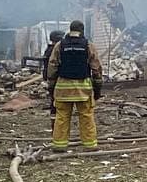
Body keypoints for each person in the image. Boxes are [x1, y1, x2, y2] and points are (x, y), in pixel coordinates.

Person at [47, 20, 103, 150]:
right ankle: (90, 145)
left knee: (62, 117)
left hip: (63, 89)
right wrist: (97, 86)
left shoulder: (60, 45)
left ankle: (59, 145)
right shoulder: (88, 45)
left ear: (70, 29)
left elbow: (52, 65)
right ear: (82, 30)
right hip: (83, 90)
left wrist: (51, 84)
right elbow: (96, 67)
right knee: (86, 116)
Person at [41, 30, 64, 114]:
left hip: (51, 77)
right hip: (55, 77)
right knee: (56, 98)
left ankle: (54, 114)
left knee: (54, 97)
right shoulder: (55, 50)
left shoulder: (49, 49)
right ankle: (55, 114)